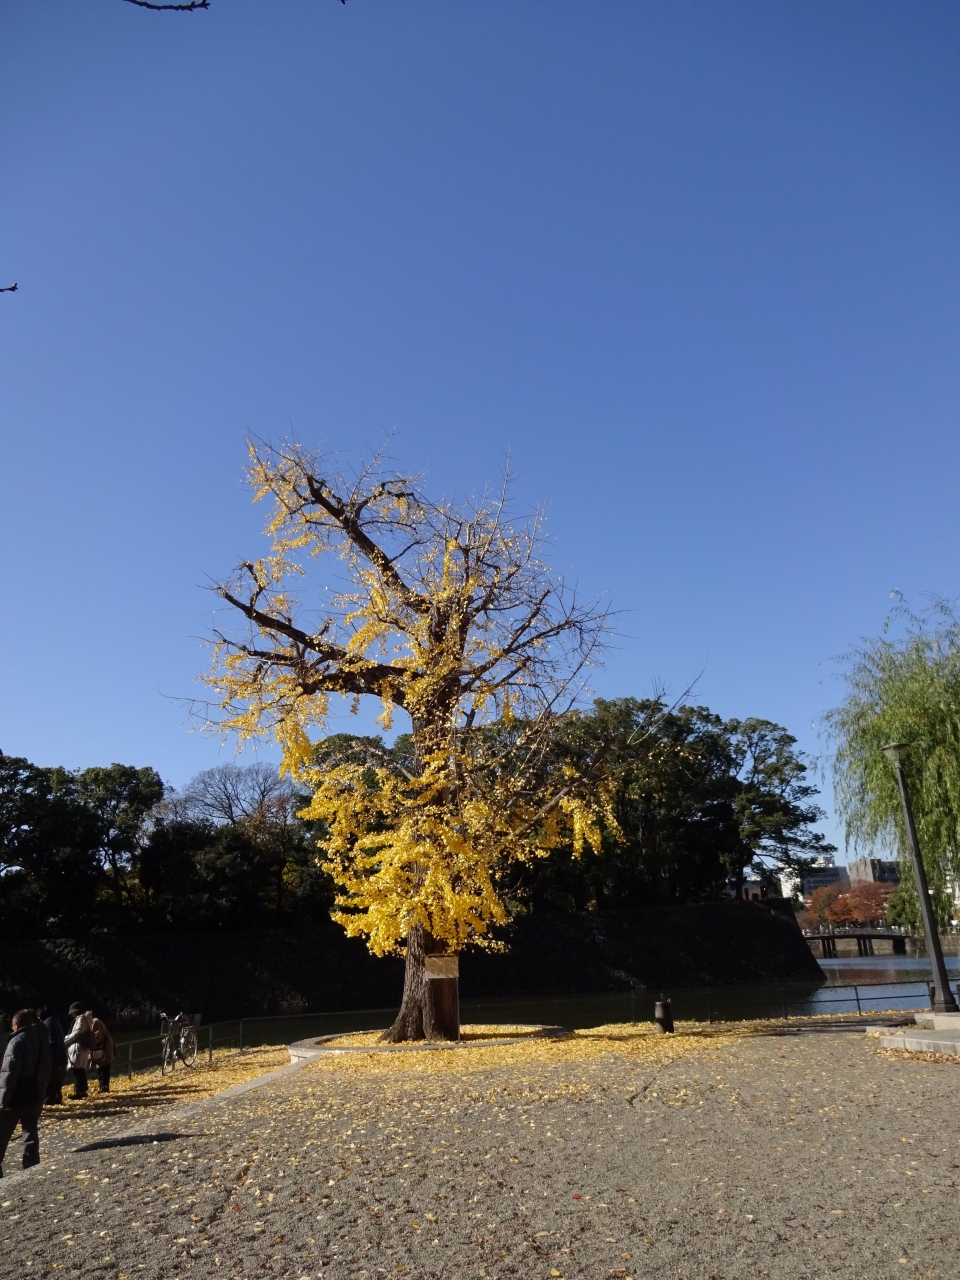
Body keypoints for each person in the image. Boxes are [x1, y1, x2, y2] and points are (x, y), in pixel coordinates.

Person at [0, 1009, 51, 1176]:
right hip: (35, 1095)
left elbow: (8, 1075)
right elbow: (46, 1069)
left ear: (16, 1025)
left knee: (2, 1136)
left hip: (16, 1098)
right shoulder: (40, 1039)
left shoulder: (16, 1042)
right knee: (30, 1134)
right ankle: (32, 1167)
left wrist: (3, 1102)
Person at [37, 1008, 67, 1106]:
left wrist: (52, 1058)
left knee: (51, 1081)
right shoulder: (55, 1022)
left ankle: (50, 1100)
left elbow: (52, 1042)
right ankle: (57, 1099)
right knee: (56, 1081)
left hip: (55, 1058)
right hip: (61, 1057)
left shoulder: (48, 1024)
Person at [63, 1004, 92, 1100]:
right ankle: (82, 1090)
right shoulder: (86, 1019)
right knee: (80, 1070)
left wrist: (65, 1039)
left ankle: (79, 1092)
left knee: (77, 1070)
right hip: (81, 1047)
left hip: (78, 1048)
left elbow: (77, 1033)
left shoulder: (81, 1019)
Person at [88, 1013, 116, 1093]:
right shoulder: (96, 1021)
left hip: (103, 1049)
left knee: (103, 1068)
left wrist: (90, 1044)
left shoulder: (95, 1022)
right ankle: (103, 1086)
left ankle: (104, 1086)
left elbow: (97, 1036)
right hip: (104, 1048)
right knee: (103, 1067)